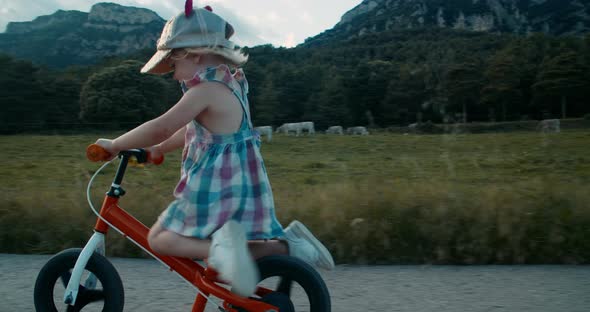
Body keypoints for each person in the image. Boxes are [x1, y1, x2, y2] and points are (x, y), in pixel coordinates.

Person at [93, 3, 334, 297]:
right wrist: (159, 149)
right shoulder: (230, 86)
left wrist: (115, 145)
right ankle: (288, 245)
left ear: (193, 54)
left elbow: (162, 125)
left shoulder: (203, 91)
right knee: (224, 251)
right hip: (238, 185)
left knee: (160, 239)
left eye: (172, 64)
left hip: (215, 186)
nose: (172, 74)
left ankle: (223, 251)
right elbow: (191, 131)